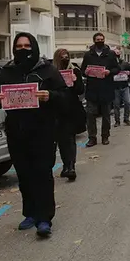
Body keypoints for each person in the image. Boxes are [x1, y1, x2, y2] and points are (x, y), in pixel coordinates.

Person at [0, 33, 66, 237]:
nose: (23, 49)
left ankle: (44, 218)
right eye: (19, 46)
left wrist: (50, 96)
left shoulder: (48, 70)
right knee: (24, 174)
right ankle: (30, 213)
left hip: (43, 132)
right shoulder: (6, 72)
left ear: (35, 47)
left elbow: (65, 97)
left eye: (27, 45)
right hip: (17, 132)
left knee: (42, 173)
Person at [52, 48, 86, 182]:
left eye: (67, 56)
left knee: (70, 139)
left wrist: (75, 80)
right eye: (62, 57)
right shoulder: (52, 72)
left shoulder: (75, 70)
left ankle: (71, 166)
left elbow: (80, 90)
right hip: (57, 110)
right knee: (61, 140)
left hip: (72, 109)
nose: (65, 59)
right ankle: (66, 165)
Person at [81, 33, 119, 147]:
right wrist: (86, 72)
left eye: (102, 39)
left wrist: (109, 72)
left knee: (106, 115)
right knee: (90, 115)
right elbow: (83, 70)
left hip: (106, 88)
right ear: (94, 41)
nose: (100, 41)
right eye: (98, 40)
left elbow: (117, 68)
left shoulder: (111, 54)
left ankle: (105, 136)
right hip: (92, 89)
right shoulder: (88, 55)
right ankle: (92, 138)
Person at [112, 49, 130, 127]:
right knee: (116, 105)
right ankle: (117, 121)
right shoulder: (110, 64)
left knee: (127, 102)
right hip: (115, 87)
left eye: (118, 55)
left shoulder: (125, 64)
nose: (117, 57)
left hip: (124, 86)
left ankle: (126, 119)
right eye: (115, 55)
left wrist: (129, 74)